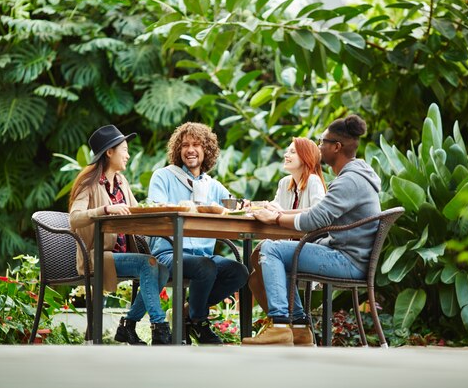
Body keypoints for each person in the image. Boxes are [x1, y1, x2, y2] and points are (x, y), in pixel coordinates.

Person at [242, 114, 381, 346]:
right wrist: (278, 215)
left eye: (322, 142)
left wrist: (276, 218)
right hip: (345, 254)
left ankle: (280, 326)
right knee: (267, 251)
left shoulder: (349, 181)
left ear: (336, 147)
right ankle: (299, 328)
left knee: (271, 249)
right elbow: (317, 212)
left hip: (348, 261)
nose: (318, 147)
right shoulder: (354, 176)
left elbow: (314, 220)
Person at [69, 125, 171, 345]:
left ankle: (128, 326)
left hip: (123, 255)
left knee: (162, 269)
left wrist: (156, 209)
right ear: (109, 152)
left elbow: (136, 212)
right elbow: (74, 218)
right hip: (98, 256)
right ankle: (160, 328)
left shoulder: (121, 183)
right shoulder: (88, 183)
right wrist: (104, 210)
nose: (128, 154)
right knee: (149, 264)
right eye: (124, 149)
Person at [148, 122, 249, 344]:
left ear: (207, 150)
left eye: (196, 145)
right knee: (206, 266)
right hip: (168, 253)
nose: (190, 150)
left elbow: (235, 204)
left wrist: (245, 204)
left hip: (203, 256)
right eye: (185, 145)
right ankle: (199, 322)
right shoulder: (164, 176)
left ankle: (188, 313)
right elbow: (154, 206)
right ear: (178, 150)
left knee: (239, 271)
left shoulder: (211, 184)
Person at [248, 137, 327, 313]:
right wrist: (258, 206)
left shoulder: (313, 181)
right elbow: (275, 207)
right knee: (253, 278)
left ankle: (293, 319)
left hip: (309, 246)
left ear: (306, 157)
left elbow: (317, 213)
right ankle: (290, 323)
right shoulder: (285, 183)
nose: (286, 154)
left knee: (261, 252)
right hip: (287, 245)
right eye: (287, 151)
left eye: (292, 152)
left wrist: (276, 213)